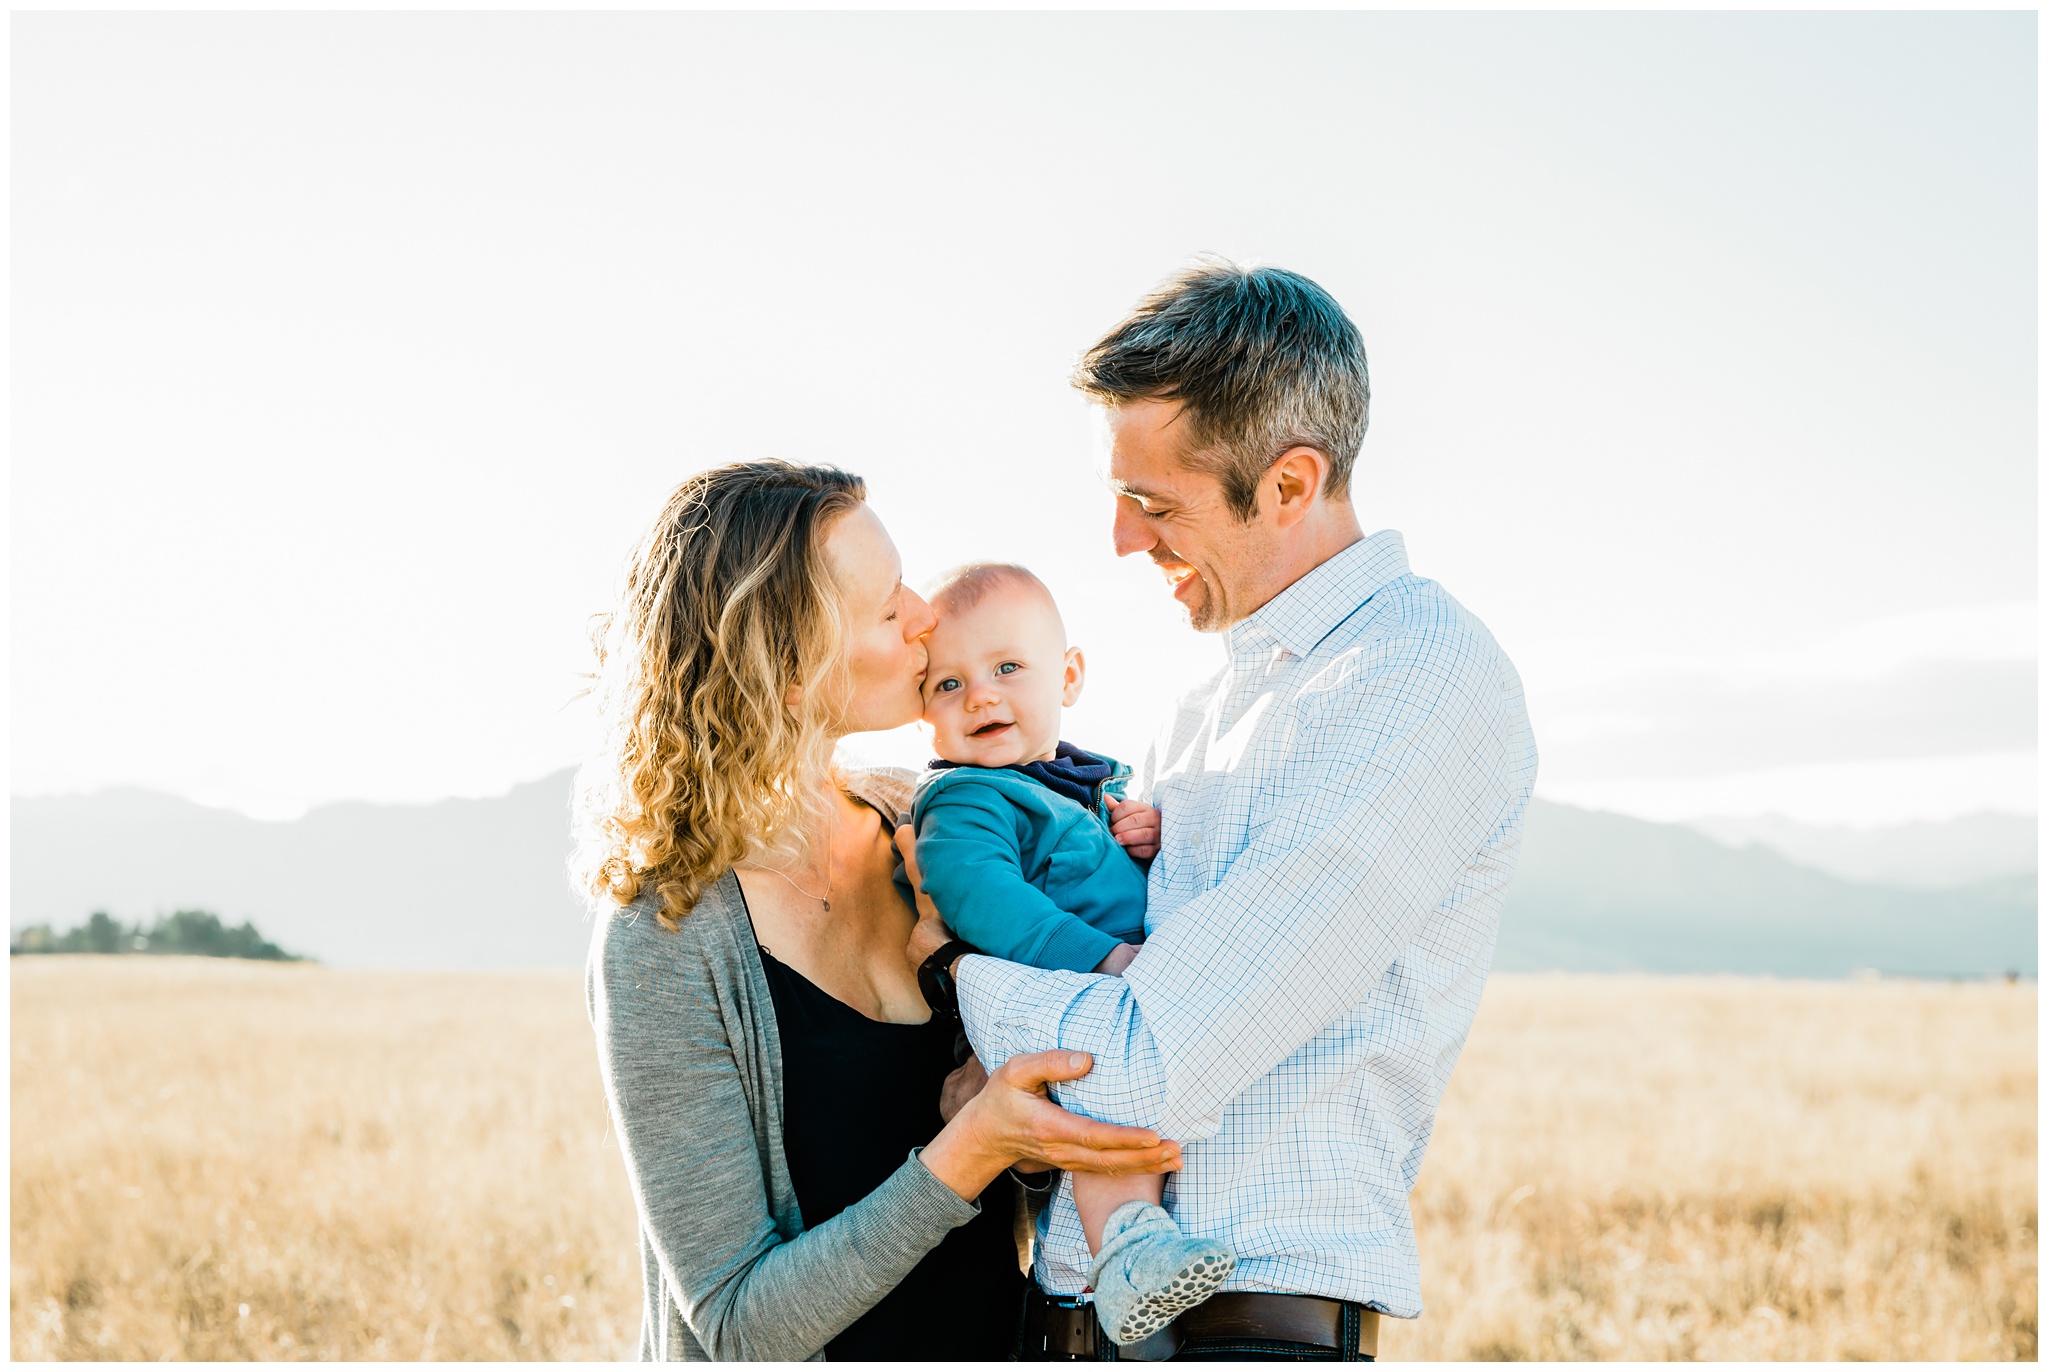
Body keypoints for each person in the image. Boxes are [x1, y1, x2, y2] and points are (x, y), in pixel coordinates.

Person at [904, 260, 1539, 1360]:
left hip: (1238, 1335)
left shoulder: (1412, 682)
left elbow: (1148, 1060)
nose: (1119, 540)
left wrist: (950, 972)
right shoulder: (1210, 704)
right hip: (1065, 1322)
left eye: (1153, 505)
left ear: (1289, 485)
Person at [577, 461, 1184, 1362]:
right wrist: (971, 1149)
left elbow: (1031, 1090)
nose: (923, 615)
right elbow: (739, 1326)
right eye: (884, 606)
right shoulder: (665, 935)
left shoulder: (929, 822)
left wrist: (1132, 841)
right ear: (785, 669)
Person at [904, 561, 1234, 1346]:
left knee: (1115, 1108)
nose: (980, 695)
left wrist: (1146, 835)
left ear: (1070, 676)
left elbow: (1114, 867)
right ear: (924, 712)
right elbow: (980, 894)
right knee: (1097, 1109)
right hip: (1049, 996)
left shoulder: (1085, 785)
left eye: (1007, 668)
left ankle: (1132, 1257)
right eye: (948, 684)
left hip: (1101, 992)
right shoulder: (965, 798)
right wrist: (1101, 960)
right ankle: (1126, 1251)